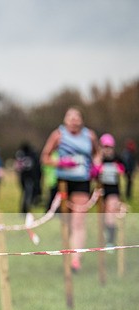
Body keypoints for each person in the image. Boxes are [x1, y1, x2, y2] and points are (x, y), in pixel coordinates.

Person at [40, 107, 100, 272]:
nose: (74, 121)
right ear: (65, 120)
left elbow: (97, 154)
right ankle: (69, 251)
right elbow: (44, 157)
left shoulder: (89, 135)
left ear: (81, 120)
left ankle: (75, 259)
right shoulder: (58, 135)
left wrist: (96, 166)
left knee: (78, 221)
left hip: (82, 181)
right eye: (70, 117)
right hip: (63, 182)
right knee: (66, 222)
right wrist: (60, 163)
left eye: (77, 117)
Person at [94, 133, 125, 248]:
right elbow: (93, 172)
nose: (107, 150)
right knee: (102, 216)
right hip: (100, 191)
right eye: (105, 147)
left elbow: (124, 169)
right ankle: (103, 237)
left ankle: (111, 240)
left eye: (109, 147)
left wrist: (117, 169)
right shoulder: (98, 159)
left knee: (110, 214)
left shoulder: (117, 159)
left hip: (113, 190)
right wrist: (98, 164)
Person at [15, 142, 41, 213]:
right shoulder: (32, 155)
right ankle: (26, 209)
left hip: (24, 178)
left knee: (26, 194)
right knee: (28, 194)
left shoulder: (21, 155)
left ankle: (26, 208)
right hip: (29, 178)